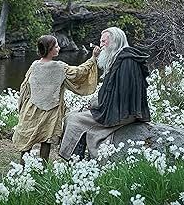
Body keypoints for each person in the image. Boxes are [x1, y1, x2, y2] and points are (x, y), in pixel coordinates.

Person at [59, 27, 151, 160]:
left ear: (115, 42)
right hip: (118, 110)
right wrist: (96, 103)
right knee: (73, 114)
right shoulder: (120, 58)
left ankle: (74, 160)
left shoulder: (127, 62)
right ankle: (78, 159)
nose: (101, 45)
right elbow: (113, 93)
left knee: (74, 119)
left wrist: (97, 105)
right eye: (100, 41)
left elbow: (122, 96)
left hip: (123, 114)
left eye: (104, 41)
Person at [12, 35, 100, 164]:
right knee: (46, 140)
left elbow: (25, 88)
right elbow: (79, 72)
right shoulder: (60, 67)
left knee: (28, 138)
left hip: (32, 109)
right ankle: (42, 167)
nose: (59, 48)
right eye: (56, 46)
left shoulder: (34, 65)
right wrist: (93, 58)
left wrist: (22, 106)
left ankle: (23, 167)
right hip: (51, 110)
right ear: (50, 49)